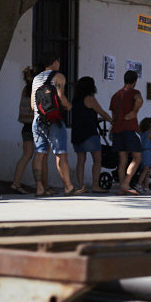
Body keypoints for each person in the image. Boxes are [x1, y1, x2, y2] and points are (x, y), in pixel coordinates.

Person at [31, 54, 83, 197]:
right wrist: (69, 106)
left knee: (39, 154)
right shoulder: (59, 76)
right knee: (61, 154)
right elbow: (61, 97)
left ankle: (40, 188)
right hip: (54, 120)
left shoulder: (36, 79)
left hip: (38, 119)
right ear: (55, 62)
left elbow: (32, 104)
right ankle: (68, 187)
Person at [70, 76, 113, 192]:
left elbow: (83, 115)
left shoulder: (76, 100)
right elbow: (103, 113)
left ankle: (80, 186)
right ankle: (95, 185)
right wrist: (112, 121)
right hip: (89, 134)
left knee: (80, 160)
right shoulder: (90, 99)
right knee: (97, 159)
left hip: (77, 133)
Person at [109, 69, 144, 196]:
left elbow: (113, 115)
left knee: (122, 160)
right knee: (137, 157)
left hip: (118, 130)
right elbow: (139, 100)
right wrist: (134, 112)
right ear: (135, 81)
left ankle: (121, 189)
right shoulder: (134, 92)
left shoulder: (116, 95)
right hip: (130, 128)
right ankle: (126, 183)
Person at [12, 66, 43, 194]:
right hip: (36, 126)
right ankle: (42, 186)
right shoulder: (38, 90)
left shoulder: (26, 89)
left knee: (26, 155)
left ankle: (16, 183)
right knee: (41, 156)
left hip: (26, 126)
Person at [136, 117, 151, 194]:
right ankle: (139, 185)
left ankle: (146, 187)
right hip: (148, 152)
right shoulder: (150, 134)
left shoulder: (142, 133)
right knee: (146, 169)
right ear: (148, 125)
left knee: (147, 170)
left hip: (144, 152)